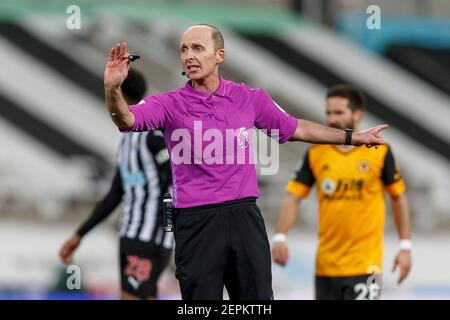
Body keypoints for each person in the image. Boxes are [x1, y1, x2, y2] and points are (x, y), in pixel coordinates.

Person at [103, 24, 389, 300]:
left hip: (244, 218)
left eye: (198, 48)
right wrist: (113, 91)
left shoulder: (248, 97)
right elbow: (126, 120)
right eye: (184, 49)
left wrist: (352, 138)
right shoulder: (169, 104)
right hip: (195, 221)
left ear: (220, 56)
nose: (189, 55)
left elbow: (296, 129)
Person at [271, 85, 412, 300]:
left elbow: (398, 197)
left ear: (357, 114)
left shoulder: (380, 153)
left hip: (367, 265)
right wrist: (280, 237)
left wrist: (405, 246)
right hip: (326, 267)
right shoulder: (316, 154)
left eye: (339, 112)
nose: (332, 119)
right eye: (328, 112)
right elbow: (293, 197)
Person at [59, 69, 173, 300]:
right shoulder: (127, 140)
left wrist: (172, 225)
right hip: (133, 236)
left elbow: (176, 176)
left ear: (118, 93)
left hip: (148, 238)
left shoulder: (152, 133)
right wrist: (80, 234)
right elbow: (115, 193)